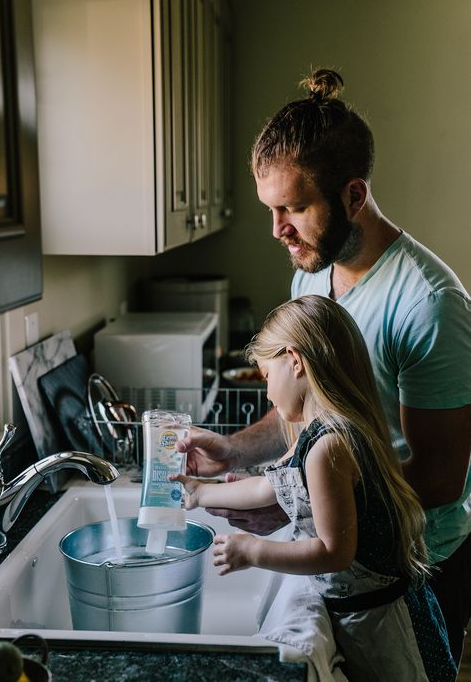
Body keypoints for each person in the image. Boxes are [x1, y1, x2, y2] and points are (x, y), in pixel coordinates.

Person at [176, 68, 471, 665]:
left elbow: (439, 477)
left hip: (414, 570)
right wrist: (234, 453)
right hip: (345, 553)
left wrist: (298, 500)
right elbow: (302, 409)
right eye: (271, 208)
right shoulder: (313, 270)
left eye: (295, 208)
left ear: (353, 196)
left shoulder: (429, 304)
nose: (278, 230)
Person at [172, 295, 456, 681]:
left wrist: (254, 550)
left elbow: (333, 552)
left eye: (266, 376)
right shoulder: (319, 430)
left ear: (295, 360)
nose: (267, 391)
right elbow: (266, 489)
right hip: (363, 611)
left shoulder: (329, 447)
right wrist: (200, 491)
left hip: (383, 626)